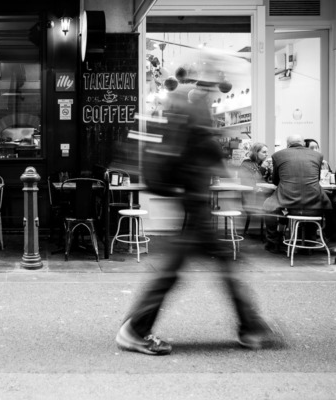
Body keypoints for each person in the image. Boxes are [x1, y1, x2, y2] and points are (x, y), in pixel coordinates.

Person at [115, 60, 275, 356]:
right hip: (196, 204)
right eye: (215, 80)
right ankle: (135, 330)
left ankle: (250, 326)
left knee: (218, 266)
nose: (219, 86)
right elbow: (208, 154)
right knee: (181, 271)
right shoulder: (195, 108)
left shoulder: (185, 106)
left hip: (193, 204)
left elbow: (205, 153)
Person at [262, 135, 333, 253]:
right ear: (302, 143)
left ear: (288, 144)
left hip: (288, 200)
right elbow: (317, 178)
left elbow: (275, 181)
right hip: (314, 200)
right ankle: (310, 240)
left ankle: (273, 242)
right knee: (318, 207)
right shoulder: (318, 156)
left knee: (267, 206)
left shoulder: (278, 155)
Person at [238, 142, 273, 212]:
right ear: (256, 153)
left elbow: (268, 180)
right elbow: (249, 181)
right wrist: (263, 168)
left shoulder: (262, 163)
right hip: (253, 199)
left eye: (267, 152)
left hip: (263, 196)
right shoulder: (246, 163)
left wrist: (272, 170)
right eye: (264, 152)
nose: (267, 154)